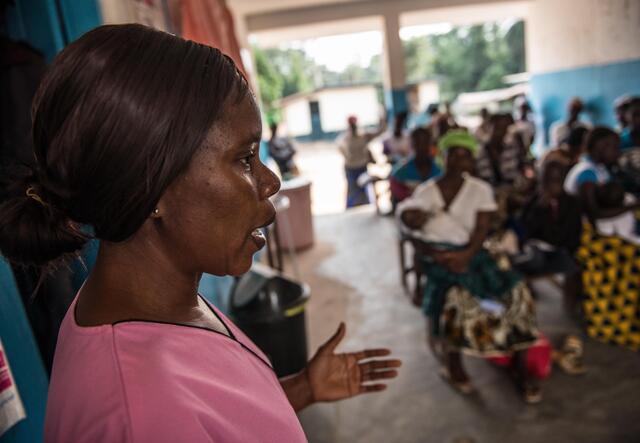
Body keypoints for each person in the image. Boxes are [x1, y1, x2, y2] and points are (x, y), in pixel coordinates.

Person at [0, 25, 402, 442]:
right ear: (150, 186)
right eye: (245, 159)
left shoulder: (147, 306)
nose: (271, 182)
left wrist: (301, 389)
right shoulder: (139, 412)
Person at [398, 133, 541, 403]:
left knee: (517, 291)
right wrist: (437, 255)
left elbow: (481, 231)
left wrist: (465, 255)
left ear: (472, 159)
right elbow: (414, 235)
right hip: (439, 260)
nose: (460, 159)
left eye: (466, 154)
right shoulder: (426, 192)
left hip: (473, 255)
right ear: (443, 155)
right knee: (457, 299)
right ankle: (454, 365)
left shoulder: (480, 190)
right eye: (454, 153)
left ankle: (518, 363)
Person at [565, 127, 640, 351]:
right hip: (590, 236)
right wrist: (633, 205)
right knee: (632, 257)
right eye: (613, 147)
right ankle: (618, 316)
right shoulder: (587, 173)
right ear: (598, 148)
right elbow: (595, 215)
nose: (617, 152)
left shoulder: (600, 169)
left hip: (607, 227)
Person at [514, 161, 582, 314]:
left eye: (556, 180)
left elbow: (571, 233)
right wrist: (541, 209)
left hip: (561, 249)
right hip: (536, 250)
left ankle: (569, 309)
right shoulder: (535, 201)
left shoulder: (571, 203)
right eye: (547, 180)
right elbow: (525, 230)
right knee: (526, 260)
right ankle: (525, 302)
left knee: (571, 265)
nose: (551, 186)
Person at [338, 114, 386, 208]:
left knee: (362, 188)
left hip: (359, 167)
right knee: (354, 190)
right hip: (351, 168)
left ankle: (364, 206)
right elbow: (341, 150)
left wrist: (382, 120)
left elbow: (380, 131)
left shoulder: (362, 136)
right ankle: (353, 207)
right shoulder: (345, 139)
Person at [389, 127, 441, 205]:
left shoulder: (439, 169)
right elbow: (398, 196)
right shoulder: (401, 171)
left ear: (430, 144)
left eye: (425, 142)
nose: (422, 147)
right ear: (412, 144)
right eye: (418, 143)